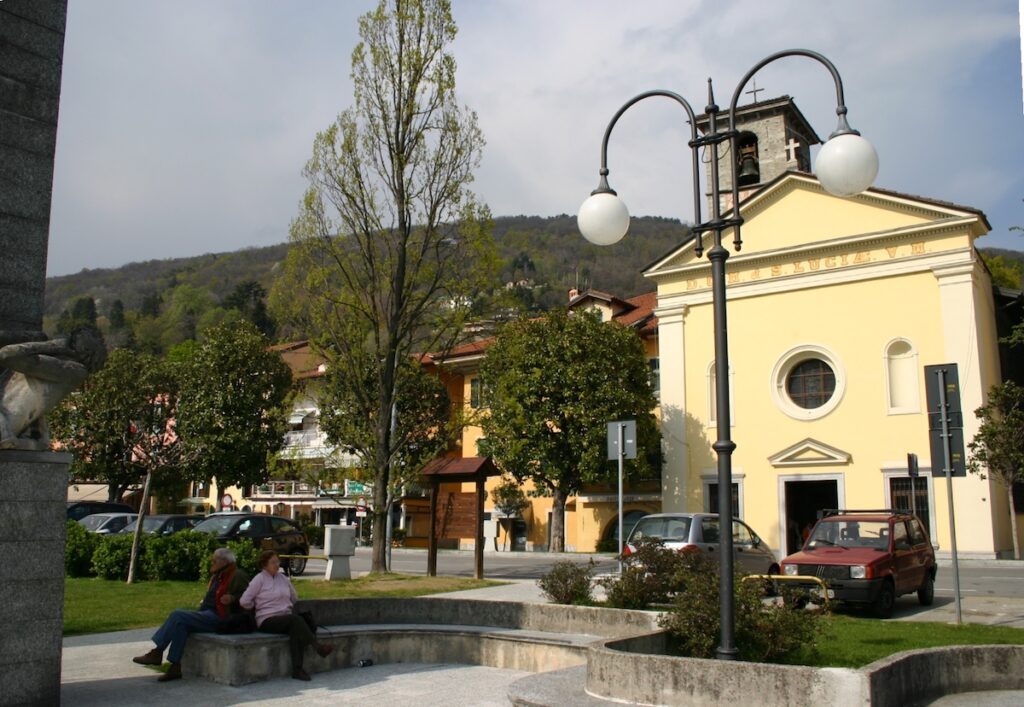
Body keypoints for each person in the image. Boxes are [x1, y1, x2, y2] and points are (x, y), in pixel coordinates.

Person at [132, 547, 250, 682]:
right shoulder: (217, 576)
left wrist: (232, 598)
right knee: (181, 625)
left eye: (214, 561)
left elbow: (249, 596)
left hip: (221, 618)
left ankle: (157, 652)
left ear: (224, 561)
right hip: (207, 613)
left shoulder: (237, 575)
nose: (212, 563)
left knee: (178, 615)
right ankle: (176, 667)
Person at [240, 550, 334, 681]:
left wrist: (284, 605)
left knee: (296, 630)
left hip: (286, 618)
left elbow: (294, 597)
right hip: (267, 619)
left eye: (277, 561)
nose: (276, 564)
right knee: (295, 621)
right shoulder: (259, 579)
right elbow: (244, 601)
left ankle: (297, 670)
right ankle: (317, 647)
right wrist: (255, 608)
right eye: (273, 562)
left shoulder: (283, 579)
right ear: (265, 565)